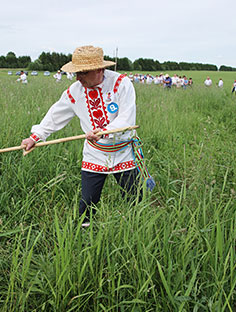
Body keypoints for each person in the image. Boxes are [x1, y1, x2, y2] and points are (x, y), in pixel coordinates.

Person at [21, 45, 154, 227]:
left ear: (99, 69)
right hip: (95, 154)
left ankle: (136, 229)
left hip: (124, 152)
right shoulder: (74, 91)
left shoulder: (121, 84)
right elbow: (55, 115)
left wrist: (103, 132)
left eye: (83, 72)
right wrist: (35, 137)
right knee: (88, 200)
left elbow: (126, 118)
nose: (78, 77)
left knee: (134, 197)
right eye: (76, 72)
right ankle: (85, 232)